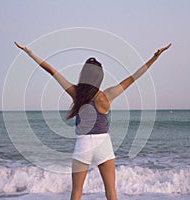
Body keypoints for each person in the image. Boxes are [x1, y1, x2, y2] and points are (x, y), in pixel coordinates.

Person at [14, 41, 171, 200]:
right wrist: (154, 58)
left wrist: (30, 53)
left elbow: (51, 71)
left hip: (83, 145)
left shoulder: (76, 93)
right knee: (111, 192)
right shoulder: (107, 95)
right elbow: (133, 78)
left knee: (76, 192)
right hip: (103, 144)